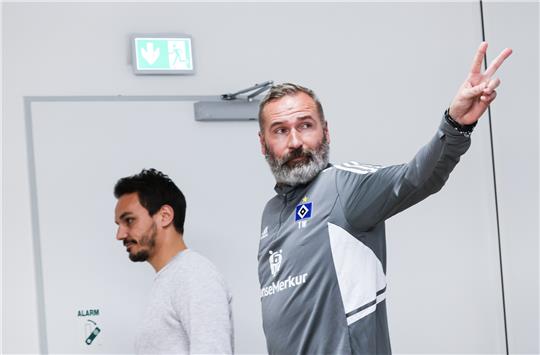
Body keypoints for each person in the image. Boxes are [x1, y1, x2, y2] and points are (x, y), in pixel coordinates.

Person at [256, 42, 512, 354]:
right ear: (264, 143)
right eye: (280, 130)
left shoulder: (341, 186)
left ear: (326, 131)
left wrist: (456, 124)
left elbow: (417, 177)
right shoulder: (271, 213)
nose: (295, 141)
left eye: (305, 126)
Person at [113, 168, 234, 354]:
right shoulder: (171, 278)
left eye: (129, 221)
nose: (120, 235)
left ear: (165, 216)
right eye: (119, 225)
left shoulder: (194, 274)